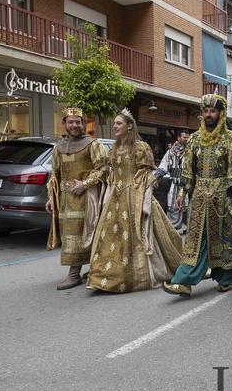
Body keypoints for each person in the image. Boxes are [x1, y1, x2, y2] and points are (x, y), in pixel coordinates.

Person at [87, 109, 183, 292]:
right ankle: (104, 277)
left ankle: (134, 276)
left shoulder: (140, 148)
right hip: (114, 198)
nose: (115, 126)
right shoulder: (113, 149)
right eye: (114, 123)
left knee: (141, 234)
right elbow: (109, 171)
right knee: (109, 238)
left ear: (129, 126)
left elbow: (146, 173)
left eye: (119, 123)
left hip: (134, 196)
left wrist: (144, 189)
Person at [162, 94, 232, 297]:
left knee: (226, 239)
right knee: (196, 239)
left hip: (223, 196)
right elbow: (188, 169)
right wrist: (183, 192)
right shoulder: (194, 139)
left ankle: (226, 277)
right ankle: (184, 281)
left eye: (213, 111)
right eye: (206, 111)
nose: (209, 115)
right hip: (199, 196)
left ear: (221, 113)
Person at [45, 107, 108, 290]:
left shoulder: (93, 144)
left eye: (78, 122)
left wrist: (84, 184)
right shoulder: (59, 147)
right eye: (71, 122)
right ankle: (89, 268)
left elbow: (103, 168)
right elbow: (55, 175)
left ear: (83, 123)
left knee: (85, 233)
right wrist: (51, 197)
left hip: (87, 197)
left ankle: (74, 274)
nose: (75, 125)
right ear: (64, 123)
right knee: (70, 236)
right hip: (65, 199)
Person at [156, 130, 189, 231]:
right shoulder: (171, 151)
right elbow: (164, 165)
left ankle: (183, 227)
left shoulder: (190, 151)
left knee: (186, 205)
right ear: (178, 138)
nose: (187, 139)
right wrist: (157, 176)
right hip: (174, 183)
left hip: (187, 182)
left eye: (188, 137)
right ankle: (172, 229)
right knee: (173, 205)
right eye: (185, 137)